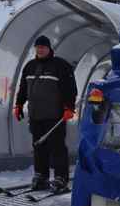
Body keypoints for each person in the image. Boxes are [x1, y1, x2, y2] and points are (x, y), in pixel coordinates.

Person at [14, 35, 77, 193]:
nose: (40, 49)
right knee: (38, 147)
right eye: (38, 47)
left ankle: (60, 178)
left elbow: (70, 89)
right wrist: (19, 105)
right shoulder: (29, 66)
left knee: (57, 148)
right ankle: (41, 176)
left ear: (49, 48)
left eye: (43, 47)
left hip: (55, 115)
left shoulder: (60, 66)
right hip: (36, 116)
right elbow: (23, 88)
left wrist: (69, 107)